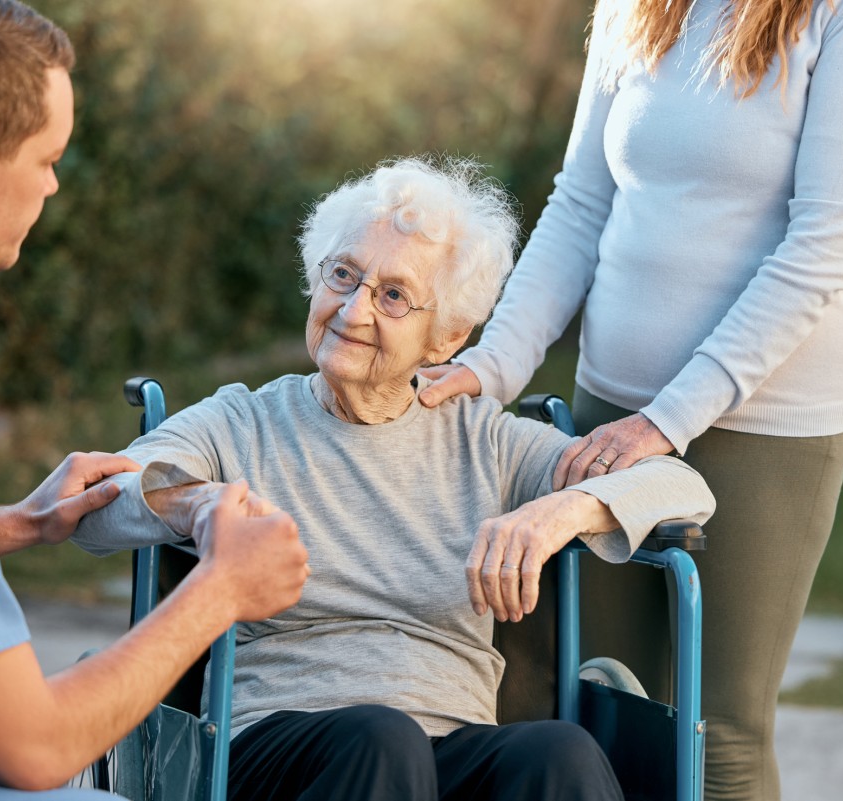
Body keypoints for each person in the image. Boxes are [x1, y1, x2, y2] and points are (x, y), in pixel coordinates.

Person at [71, 155, 716, 801]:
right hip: (281, 746)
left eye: (394, 295)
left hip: (449, 749)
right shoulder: (243, 420)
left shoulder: (484, 439)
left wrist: (563, 511)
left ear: (447, 337)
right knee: (383, 738)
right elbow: (98, 508)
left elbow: (682, 486)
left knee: (560, 750)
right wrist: (197, 502)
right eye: (343, 275)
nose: (353, 311)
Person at [416, 2, 843, 800]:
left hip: (765, 423)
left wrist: (669, 418)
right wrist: (493, 364)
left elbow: (825, 242)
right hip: (609, 410)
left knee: (714, 732)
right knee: (596, 699)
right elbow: (581, 200)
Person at [0, 1, 309, 798]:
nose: (56, 182)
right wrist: (220, 590)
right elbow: (31, 746)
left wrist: (12, 525)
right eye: (47, 156)